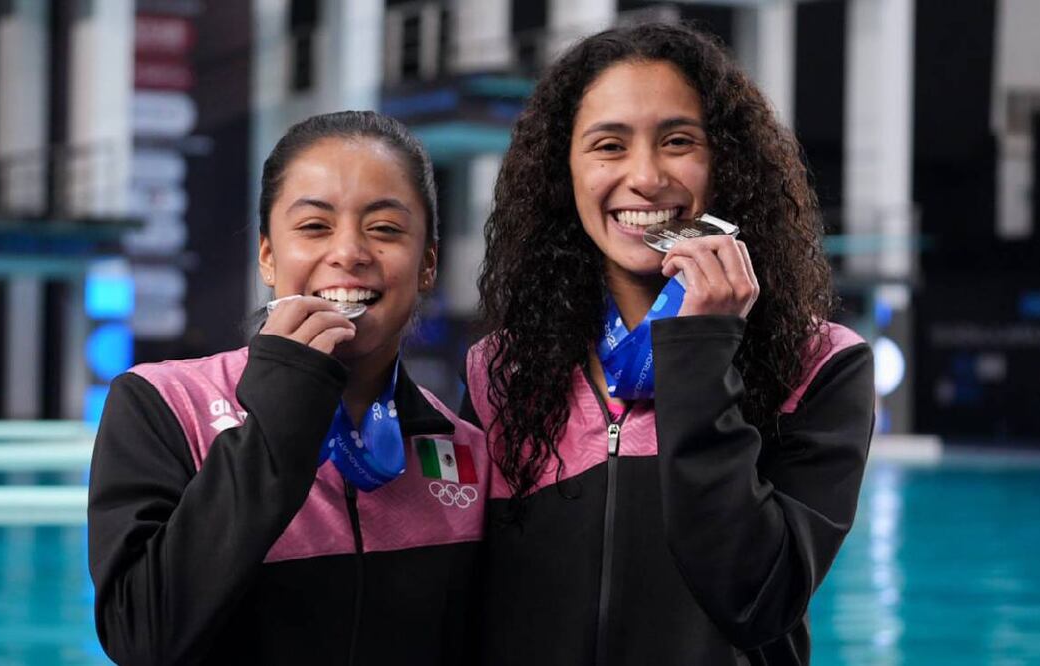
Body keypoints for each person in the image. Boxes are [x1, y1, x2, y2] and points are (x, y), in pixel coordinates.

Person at [462, 22, 875, 666]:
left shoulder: (820, 365)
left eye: (678, 141)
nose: (646, 177)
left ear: (726, 162)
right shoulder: (504, 369)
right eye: (608, 146)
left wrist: (702, 351)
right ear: (563, 171)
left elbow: (756, 601)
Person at [88, 111, 488, 665]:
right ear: (268, 256)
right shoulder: (163, 404)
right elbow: (141, 638)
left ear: (427, 264)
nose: (349, 252)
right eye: (315, 226)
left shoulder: (466, 449)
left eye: (385, 229)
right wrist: (277, 422)